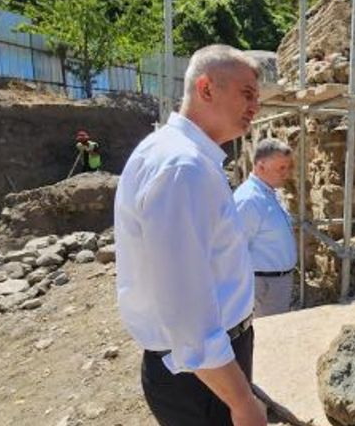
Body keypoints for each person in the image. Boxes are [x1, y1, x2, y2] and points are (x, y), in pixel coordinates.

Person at [114, 44, 265, 426]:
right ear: (206, 88)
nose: (255, 107)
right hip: (200, 379)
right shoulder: (184, 168)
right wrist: (242, 401)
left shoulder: (180, 156)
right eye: (246, 94)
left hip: (203, 370)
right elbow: (187, 316)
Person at [234, 138, 297, 317]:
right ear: (261, 167)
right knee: (266, 337)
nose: (287, 173)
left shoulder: (268, 193)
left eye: (287, 167)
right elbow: (235, 248)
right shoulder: (249, 199)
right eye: (281, 168)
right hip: (263, 286)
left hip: (274, 283)